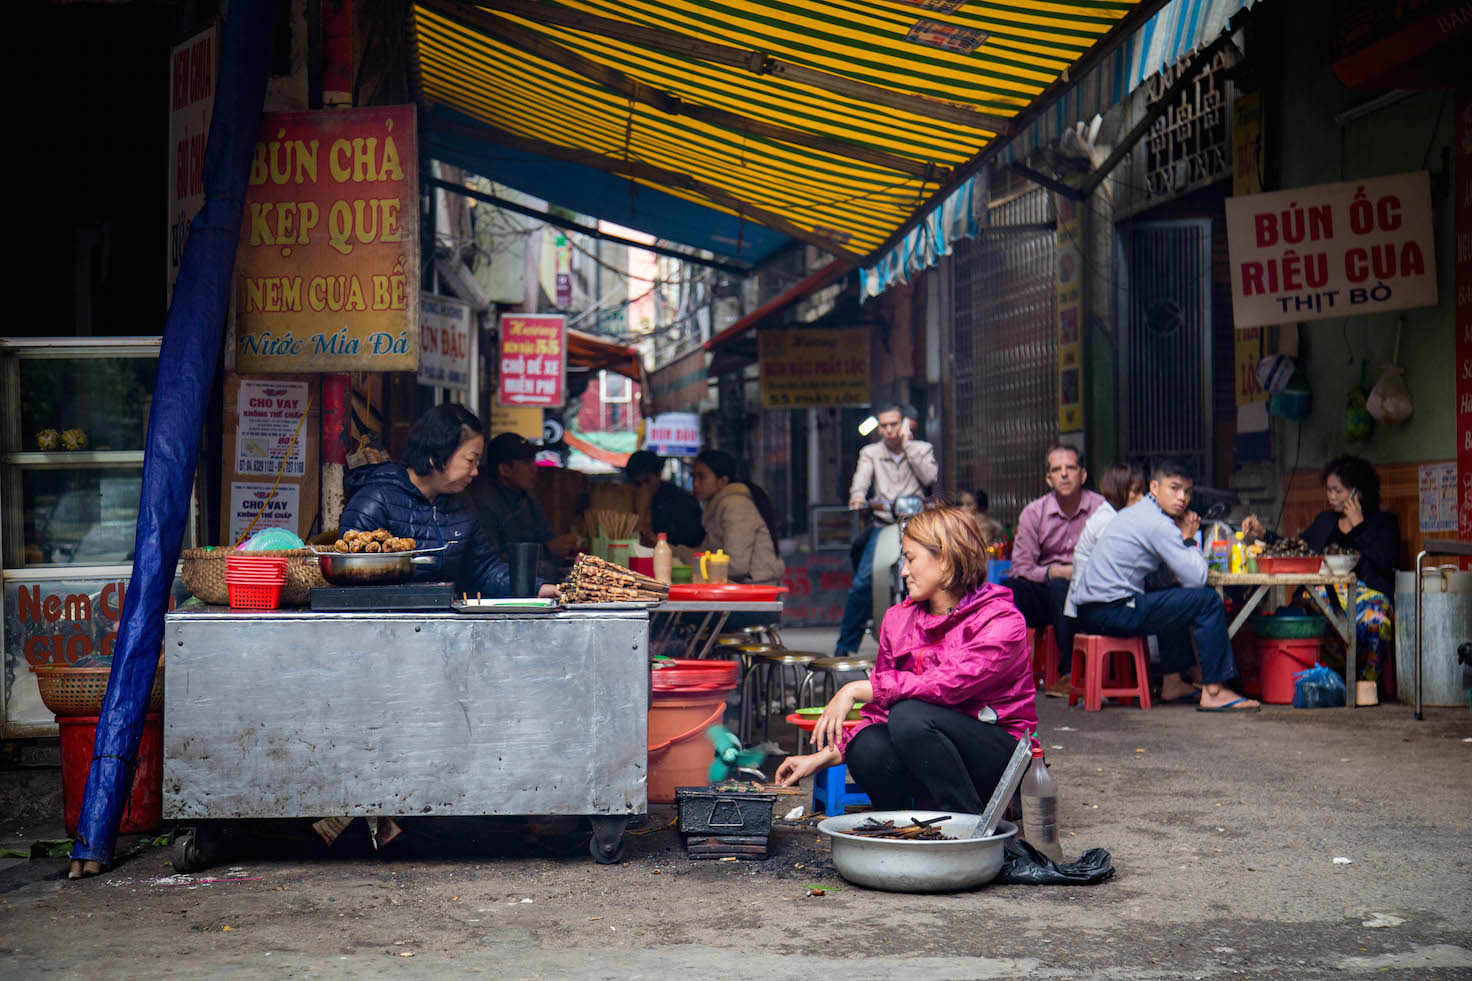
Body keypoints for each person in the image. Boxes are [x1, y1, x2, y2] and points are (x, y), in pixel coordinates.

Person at [776, 506, 1036, 812]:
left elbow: (949, 684)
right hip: (927, 749)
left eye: (910, 558)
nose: (904, 571)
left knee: (910, 716)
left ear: (945, 559)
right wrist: (821, 759)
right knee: (867, 746)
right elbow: (879, 716)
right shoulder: (898, 619)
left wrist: (856, 689)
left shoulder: (1001, 620)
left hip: (998, 756)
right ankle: (908, 827)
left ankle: (970, 828)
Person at [1072, 458, 1259, 712]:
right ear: (1154, 487)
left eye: (1187, 491)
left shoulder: (1138, 512)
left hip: (1092, 611)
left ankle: (1172, 683)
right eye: (1174, 488)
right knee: (1207, 600)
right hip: (1113, 611)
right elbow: (1197, 577)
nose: (1182, 497)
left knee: (1171, 597)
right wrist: (1188, 538)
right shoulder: (1158, 524)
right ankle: (1214, 690)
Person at [340, 404, 556, 598]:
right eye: (470, 460)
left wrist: (535, 588)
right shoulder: (374, 502)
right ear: (437, 456)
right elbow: (354, 584)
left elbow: (483, 570)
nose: (475, 472)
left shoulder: (461, 504)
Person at [1241, 455, 1400, 689]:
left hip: (1366, 595)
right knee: (1309, 613)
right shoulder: (1325, 521)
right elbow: (1298, 550)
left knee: (1373, 619)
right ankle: (1328, 680)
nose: (1331, 497)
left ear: (1359, 491)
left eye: (1338, 490)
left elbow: (1386, 561)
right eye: (1329, 490)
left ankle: (1365, 686)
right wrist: (1265, 535)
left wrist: (1360, 527)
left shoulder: (1382, 522)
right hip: (1325, 593)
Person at [835, 403, 939, 655]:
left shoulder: (922, 449)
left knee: (937, 578)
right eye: (884, 425)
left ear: (903, 424)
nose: (889, 430)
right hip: (885, 525)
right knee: (863, 583)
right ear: (878, 428)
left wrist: (908, 447)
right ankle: (844, 647)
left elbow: (930, 479)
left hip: (918, 526)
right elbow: (861, 480)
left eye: (894, 424)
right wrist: (857, 496)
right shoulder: (871, 452)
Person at [1003, 444, 1105, 696]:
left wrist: (1072, 575)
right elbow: (1021, 567)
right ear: (1048, 479)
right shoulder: (1034, 513)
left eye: (1070, 468)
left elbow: (1110, 559)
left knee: (1063, 588)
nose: (1064, 475)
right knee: (1007, 590)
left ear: (1082, 475)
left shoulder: (1100, 509)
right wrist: (1055, 572)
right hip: (1045, 593)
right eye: (1056, 470)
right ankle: (1004, 675)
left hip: (1090, 594)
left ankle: (1068, 672)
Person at [470, 432, 580, 578]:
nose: (535, 468)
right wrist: (547, 550)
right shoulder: (484, 503)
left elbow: (545, 535)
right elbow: (490, 560)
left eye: (533, 461)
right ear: (505, 469)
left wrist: (562, 546)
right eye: (527, 462)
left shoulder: (527, 497)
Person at [1063, 461, 1148, 621]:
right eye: (1136, 492)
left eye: (1142, 492)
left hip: (1098, 601)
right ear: (1119, 491)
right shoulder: (1107, 521)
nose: (1142, 498)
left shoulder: (1117, 516)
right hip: (1094, 607)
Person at [686, 449, 785, 585]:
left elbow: (737, 565)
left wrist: (703, 567)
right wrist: (671, 551)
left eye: (701, 477)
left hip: (756, 592)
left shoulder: (734, 505)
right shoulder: (718, 506)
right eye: (693, 477)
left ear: (722, 481)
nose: (695, 483)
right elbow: (704, 553)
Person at [624, 449, 704, 548]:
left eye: (647, 481)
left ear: (658, 475)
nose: (643, 489)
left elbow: (691, 540)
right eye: (637, 484)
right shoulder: (627, 501)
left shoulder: (682, 501)